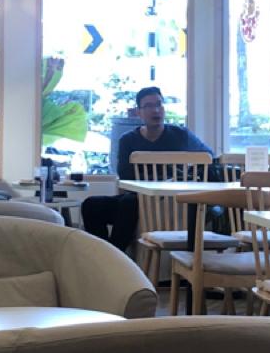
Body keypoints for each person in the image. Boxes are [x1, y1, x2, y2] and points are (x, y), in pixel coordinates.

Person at [81, 86, 214, 253]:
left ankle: (116, 255)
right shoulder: (128, 140)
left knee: (128, 203)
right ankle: (103, 254)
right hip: (139, 198)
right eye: (149, 106)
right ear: (139, 112)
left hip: (171, 202)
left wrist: (185, 177)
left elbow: (209, 157)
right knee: (91, 205)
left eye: (159, 104)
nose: (156, 110)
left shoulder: (181, 135)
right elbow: (126, 176)